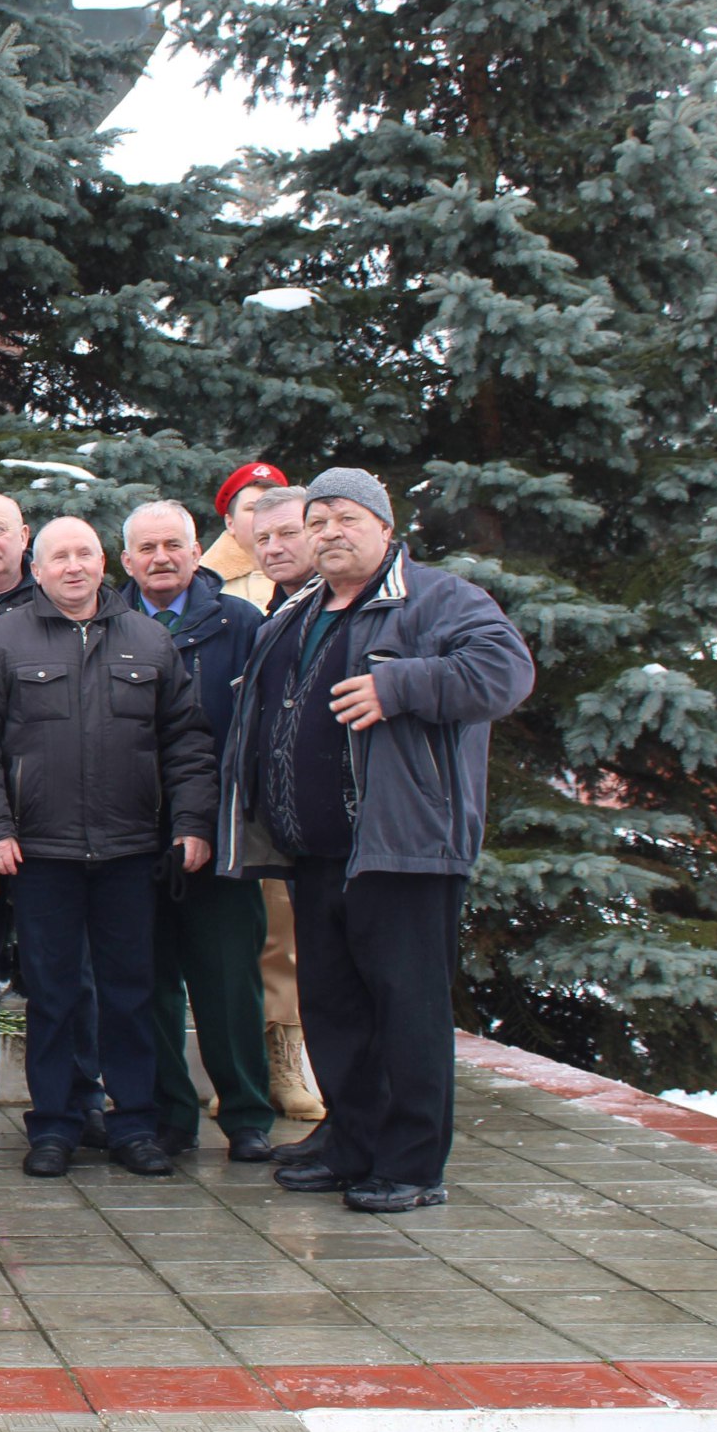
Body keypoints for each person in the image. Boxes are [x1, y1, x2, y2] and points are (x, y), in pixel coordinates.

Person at [220, 469, 533, 1213]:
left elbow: (504, 670)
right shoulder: (303, 611)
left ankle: (414, 1162)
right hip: (317, 850)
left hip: (403, 847)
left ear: (386, 528)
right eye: (318, 520)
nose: (329, 533)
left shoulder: (435, 598)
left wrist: (401, 687)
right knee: (334, 1008)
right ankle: (352, 1139)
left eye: (346, 518)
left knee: (407, 1008)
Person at [0, 516, 217, 1179]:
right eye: (58, 556)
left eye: (84, 554)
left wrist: (193, 823)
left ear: (104, 564)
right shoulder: (3, 640)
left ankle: (134, 1123)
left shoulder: (148, 640)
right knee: (54, 995)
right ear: (36, 569)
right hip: (41, 854)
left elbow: (187, 741)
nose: (72, 567)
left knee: (130, 992)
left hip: (130, 851)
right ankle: (55, 1124)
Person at [119, 501, 275, 1163]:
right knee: (145, 982)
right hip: (128, 835)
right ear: (125, 560)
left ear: (196, 551)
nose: (160, 557)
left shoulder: (240, 623)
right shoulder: (106, 622)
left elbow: (261, 726)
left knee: (227, 979)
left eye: (173, 544)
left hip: (220, 836)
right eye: (146, 547)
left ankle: (246, 1113)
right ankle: (168, 1114)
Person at [0, 489, 102, 1144]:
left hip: (59, 831)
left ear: (25, 541)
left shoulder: (67, 611)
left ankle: (81, 1093)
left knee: (74, 974)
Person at [244, 486, 324, 1124]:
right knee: (261, 935)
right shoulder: (257, 607)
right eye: (262, 536)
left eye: (287, 533)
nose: (273, 546)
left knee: (293, 945)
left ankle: (289, 1060)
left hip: (328, 811)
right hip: (261, 805)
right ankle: (245, 1062)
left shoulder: (338, 606)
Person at [200, 460, 287, 611]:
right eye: (252, 508)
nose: (263, 515)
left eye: (272, 507)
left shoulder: (312, 575)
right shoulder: (203, 582)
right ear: (230, 523)